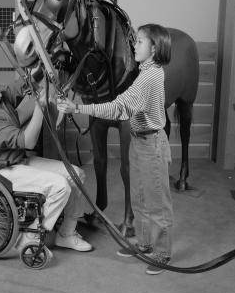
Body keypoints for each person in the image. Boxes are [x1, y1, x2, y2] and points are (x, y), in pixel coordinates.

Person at [57, 24, 173, 275]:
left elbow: (120, 108)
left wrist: (78, 109)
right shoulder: (145, 73)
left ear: (154, 48)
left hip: (152, 144)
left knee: (157, 204)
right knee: (140, 199)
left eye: (140, 42)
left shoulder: (151, 77)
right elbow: (122, 103)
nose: (134, 45)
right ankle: (143, 244)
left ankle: (162, 254)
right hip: (140, 141)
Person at [0, 70, 93, 259]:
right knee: (61, 186)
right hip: (4, 171)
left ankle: (66, 234)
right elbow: (28, 141)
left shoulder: (1, 100)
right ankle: (29, 237)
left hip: (19, 160)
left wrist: (42, 65)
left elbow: (25, 81)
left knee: (76, 174)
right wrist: (40, 107)